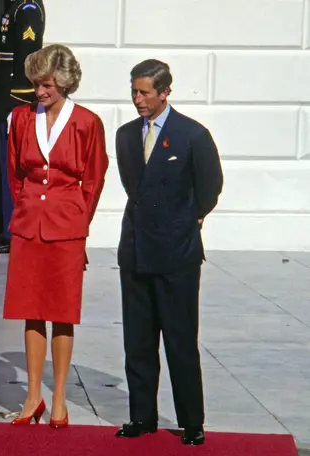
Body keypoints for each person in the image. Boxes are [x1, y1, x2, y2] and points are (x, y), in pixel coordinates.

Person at [114, 59, 223, 446]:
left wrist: (185, 221)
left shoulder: (192, 135)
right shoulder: (126, 135)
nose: (138, 99)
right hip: (136, 252)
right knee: (138, 342)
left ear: (165, 92)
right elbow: (134, 187)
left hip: (177, 255)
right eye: (134, 91)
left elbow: (209, 189)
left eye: (144, 92)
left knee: (179, 341)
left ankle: (192, 422)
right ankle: (141, 417)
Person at [2, 44, 109, 428]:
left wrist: (78, 223)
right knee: (31, 311)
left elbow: (94, 179)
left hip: (67, 227)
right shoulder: (19, 117)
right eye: (36, 85)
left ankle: (59, 398)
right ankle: (33, 397)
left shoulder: (87, 122)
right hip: (29, 224)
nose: (40, 92)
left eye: (46, 85)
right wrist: (26, 210)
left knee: (62, 313)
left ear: (63, 83)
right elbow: (15, 172)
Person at [0, 0, 45, 253]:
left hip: (12, 102)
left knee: (9, 172)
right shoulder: (15, 6)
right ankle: (1, 227)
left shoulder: (28, 9)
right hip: (3, 99)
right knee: (1, 169)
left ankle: (9, 231)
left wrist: (3, 98)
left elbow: (25, 63)